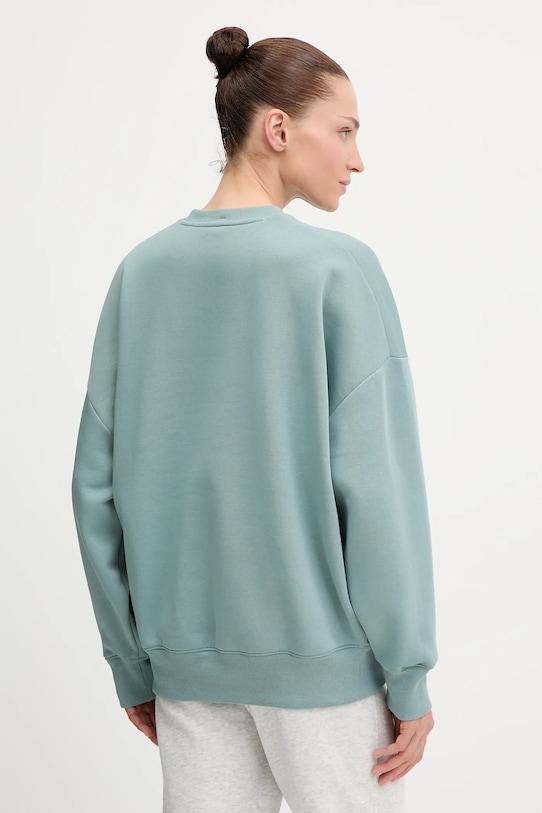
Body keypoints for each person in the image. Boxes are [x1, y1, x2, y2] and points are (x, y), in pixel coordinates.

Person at [71, 26, 438, 813]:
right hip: (324, 677)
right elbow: (378, 490)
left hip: (187, 675)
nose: (357, 159)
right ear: (278, 128)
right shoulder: (340, 271)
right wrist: (408, 673)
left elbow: (94, 490)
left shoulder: (142, 274)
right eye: (345, 130)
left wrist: (133, 664)